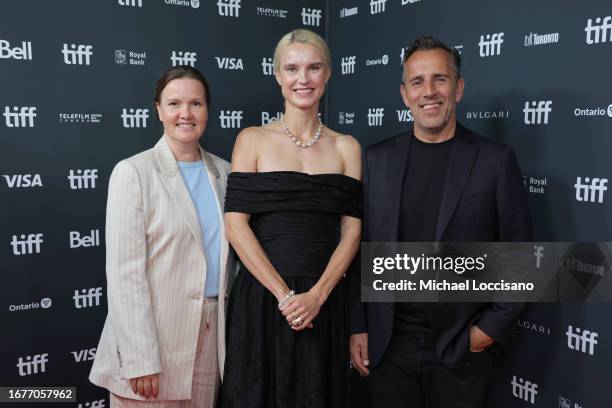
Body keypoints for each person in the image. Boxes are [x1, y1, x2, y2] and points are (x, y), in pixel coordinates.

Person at [349, 36, 533, 408]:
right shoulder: (376, 160)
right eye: (417, 81)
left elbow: (520, 255)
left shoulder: (494, 161)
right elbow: (359, 250)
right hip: (389, 344)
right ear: (404, 94)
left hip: (461, 346)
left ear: (459, 88)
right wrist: (359, 325)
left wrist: (485, 333)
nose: (429, 92)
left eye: (440, 79)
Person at [221, 29, 362, 408]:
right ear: (277, 75)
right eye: (292, 68)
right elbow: (236, 225)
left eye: (313, 68)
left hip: (323, 301)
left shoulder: (347, 147)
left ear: (328, 73)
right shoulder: (252, 140)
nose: (303, 78)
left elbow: (351, 231)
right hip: (264, 300)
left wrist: (317, 296)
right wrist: (285, 297)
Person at [89, 65, 236, 408]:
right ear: (158, 109)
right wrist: (141, 359)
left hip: (212, 342)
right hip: (153, 344)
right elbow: (125, 275)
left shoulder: (226, 173)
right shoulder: (134, 173)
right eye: (174, 104)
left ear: (207, 110)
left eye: (196, 104)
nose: (185, 114)